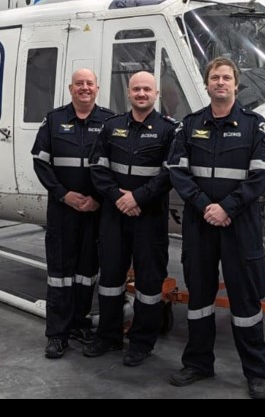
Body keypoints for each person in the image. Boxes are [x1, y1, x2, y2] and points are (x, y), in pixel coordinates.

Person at [166, 56, 265, 399]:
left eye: (227, 78)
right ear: (207, 83)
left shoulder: (256, 127)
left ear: (236, 85)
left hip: (240, 224)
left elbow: (261, 176)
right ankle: (198, 363)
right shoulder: (189, 125)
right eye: (215, 77)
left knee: (245, 300)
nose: (221, 83)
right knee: (199, 295)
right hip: (201, 224)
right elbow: (177, 171)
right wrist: (205, 207)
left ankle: (256, 373)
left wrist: (226, 208)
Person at [85, 71, 177, 366]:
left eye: (146, 89)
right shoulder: (111, 127)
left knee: (150, 284)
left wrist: (137, 198)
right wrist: (118, 197)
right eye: (136, 89)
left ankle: (141, 342)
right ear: (128, 93)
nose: (141, 93)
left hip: (149, 218)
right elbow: (98, 168)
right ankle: (108, 337)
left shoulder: (168, 131)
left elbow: (169, 174)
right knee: (110, 278)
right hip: (115, 216)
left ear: (156, 94)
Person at [31, 68, 114, 359]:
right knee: (59, 276)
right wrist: (64, 194)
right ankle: (57, 334)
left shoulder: (109, 121)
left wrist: (99, 200)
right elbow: (40, 163)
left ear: (97, 88)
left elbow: (113, 167)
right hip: (62, 212)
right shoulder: (54, 120)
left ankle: (79, 324)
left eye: (89, 83)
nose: (84, 88)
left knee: (86, 273)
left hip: (94, 212)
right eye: (79, 84)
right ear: (70, 88)